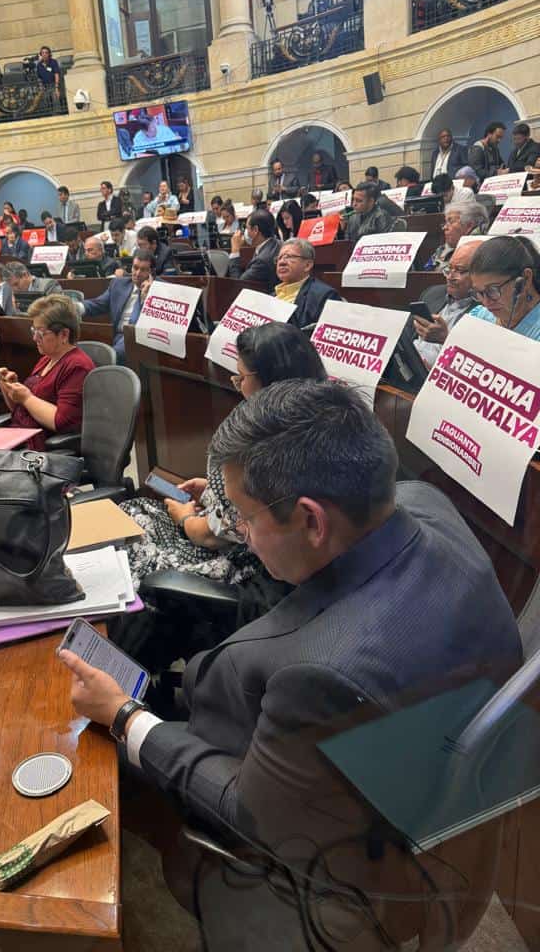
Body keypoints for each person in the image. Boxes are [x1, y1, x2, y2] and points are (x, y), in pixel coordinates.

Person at [59, 381, 521, 949]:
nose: (243, 536)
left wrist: (126, 717)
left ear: (311, 521)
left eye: (246, 519)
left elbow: (246, 811)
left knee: (86, 760)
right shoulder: (427, 504)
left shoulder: (321, 678)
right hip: (399, 756)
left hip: (316, 841)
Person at [112, 325, 326, 662]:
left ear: (269, 378)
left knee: (132, 561)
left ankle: (124, 680)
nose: (236, 384)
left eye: (240, 377)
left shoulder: (264, 440)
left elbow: (213, 535)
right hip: (254, 548)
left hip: (251, 567)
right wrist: (212, 489)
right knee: (133, 513)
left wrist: (185, 519)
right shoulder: (314, 413)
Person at [0, 294, 94, 451]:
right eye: (33, 330)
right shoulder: (47, 359)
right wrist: (7, 386)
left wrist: (26, 397)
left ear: (64, 335)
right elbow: (20, 410)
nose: (34, 338)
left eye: (40, 333)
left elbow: (61, 422)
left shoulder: (77, 366)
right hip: (20, 435)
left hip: (41, 452)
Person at [413, 239, 480, 367]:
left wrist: (445, 339)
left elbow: (475, 364)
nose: (450, 276)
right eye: (449, 268)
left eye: (459, 270)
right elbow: (408, 338)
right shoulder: (432, 293)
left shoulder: (487, 312)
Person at [82, 248, 155, 362]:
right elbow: (98, 304)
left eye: (144, 270)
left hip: (139, 340)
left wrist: (146, 299)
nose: (137, 273)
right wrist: (76, 307)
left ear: (151, 272)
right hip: (117, 336)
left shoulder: (160, 290)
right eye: (135, 268)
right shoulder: (119, 284)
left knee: (110, 356)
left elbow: (144, 327)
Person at [468, 235, 540, 340]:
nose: (486, 302)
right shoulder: (478, 317)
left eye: (493, 290)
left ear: (526, 278)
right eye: (479, 292)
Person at [274, 238, 340, 327]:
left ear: (307, 265)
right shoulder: (271, 296)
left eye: (289, 257)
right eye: (279, 258)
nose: (281, 262)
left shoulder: (324, 296)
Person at [425, 197, 488, 271]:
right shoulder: (442, 249)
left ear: (469, 226)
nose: (444, 227)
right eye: (445, 222)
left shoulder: (482, 251)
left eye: (450, 222)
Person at [228, 210, 280, 289]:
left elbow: (239, 285)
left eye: (247, 227)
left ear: (255, 230)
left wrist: (235, 251)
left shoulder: (261, 261)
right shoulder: (279, 244)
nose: (245, 232)